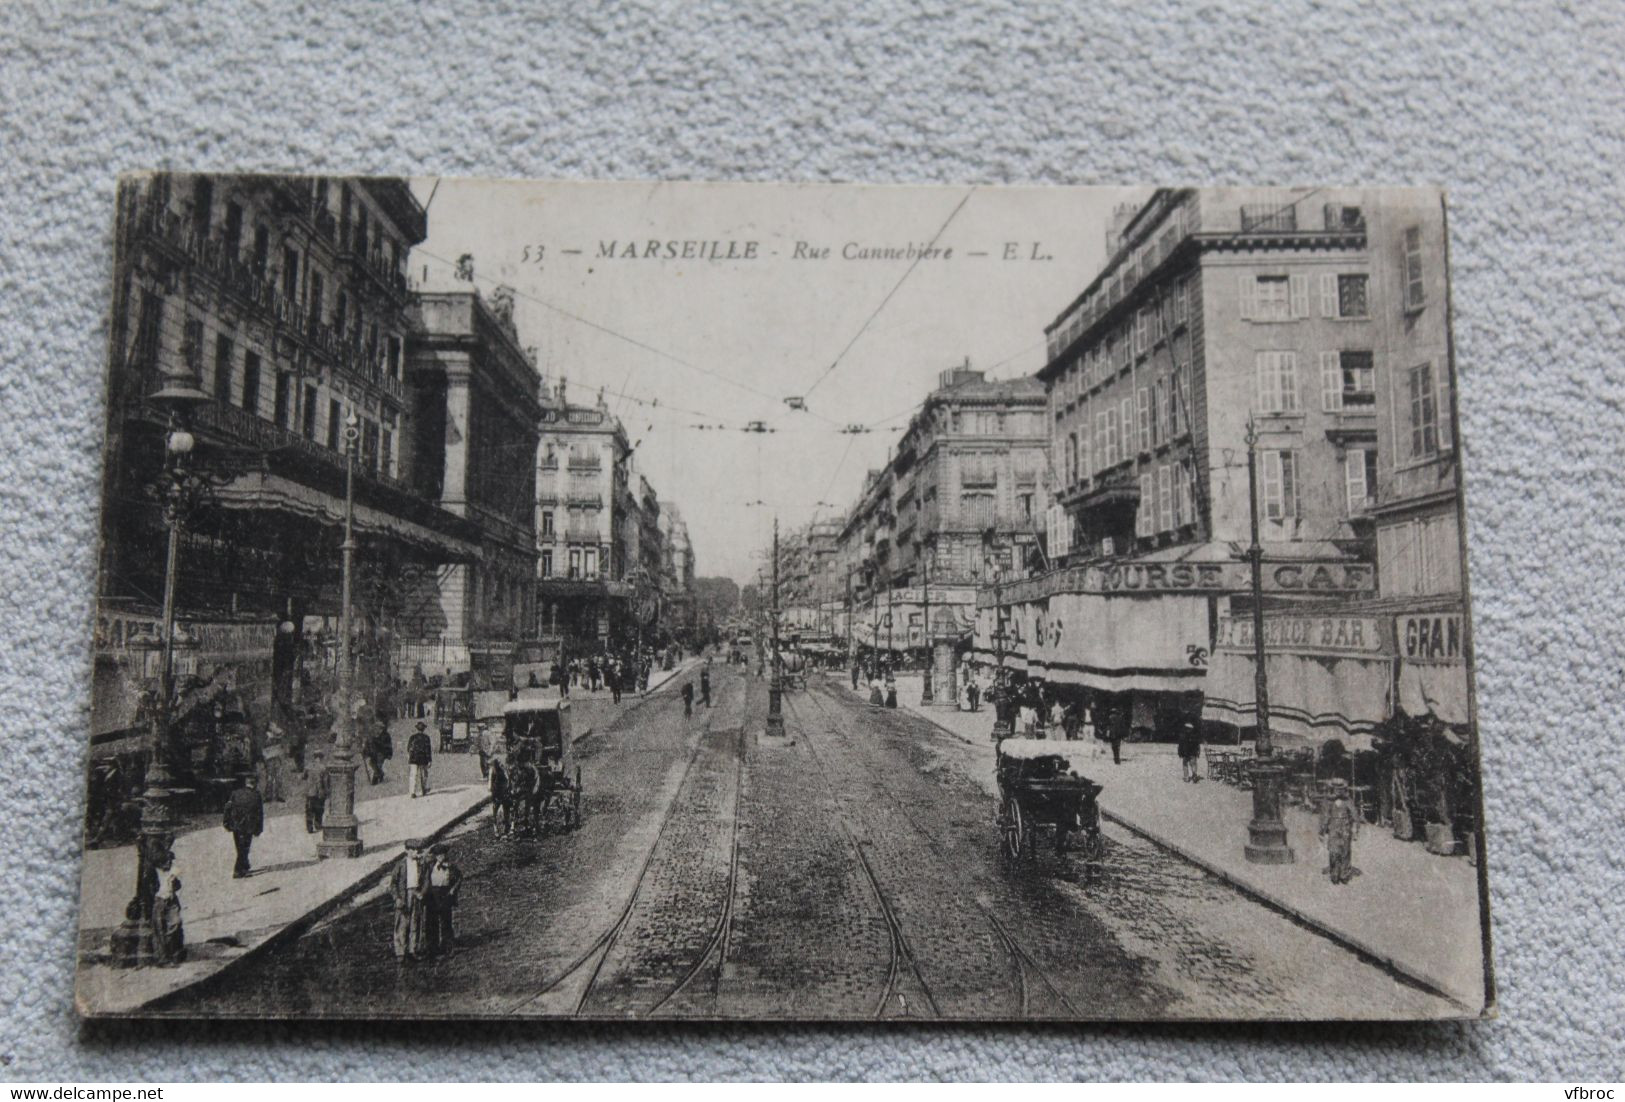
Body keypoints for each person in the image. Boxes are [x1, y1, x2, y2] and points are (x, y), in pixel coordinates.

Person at [389, 839, 429, 961]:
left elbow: (426, 880)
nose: (416, 852)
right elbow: (393, 884)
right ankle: (400, 952)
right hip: (404, 895)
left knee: (415, 923)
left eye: (417, 850)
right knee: (402, 924)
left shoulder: (422, 864)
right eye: (413, 850)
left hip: (416, 894)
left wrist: (422, 893)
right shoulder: (400, 865)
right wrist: (397, 898)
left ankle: (413, 949)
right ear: (407, 851)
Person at [423, 842, 463, 955]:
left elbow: (459, 878)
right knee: (432, 921)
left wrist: (453, 889)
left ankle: (448, 946)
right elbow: (424, 880)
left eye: (443, 854)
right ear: (435, 856)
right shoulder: (430, 866)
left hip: (445, 894)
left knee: (446, 921)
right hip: (432, 895)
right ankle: (432, 948)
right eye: (438, 855)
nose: (441, 857)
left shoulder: (451, 866)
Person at [222, 775, 264, 879]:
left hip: (236, 825)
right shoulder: (256, 795)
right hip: (248, 826)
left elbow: (227, 808)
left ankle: (245, 865)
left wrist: (226, 822)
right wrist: (259, 828)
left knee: (239, 847)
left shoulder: (235, 793)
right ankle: (238, 871)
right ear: (255, 784)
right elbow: (259, 813)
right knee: (244, 848)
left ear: (246, 783)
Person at [151, 849, 185, 966]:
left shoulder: (173, 872)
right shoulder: (154, 873)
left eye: (170, 861)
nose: (169, 864)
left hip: (171, 900)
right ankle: (163, 958)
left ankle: (173, 952)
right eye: (166, 862)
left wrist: (174, 882)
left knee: (175, 923)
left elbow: (178, 885)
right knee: (160, 929)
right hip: (159, 901)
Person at [1320, 778, 1357, 885]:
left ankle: (1344, 874)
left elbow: (1354, 815)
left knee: (1345, 851)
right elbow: (1325, 816)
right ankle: (1334, 874)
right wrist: (1322, 831)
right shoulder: (1328, 801)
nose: (1339, 791)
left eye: (1341, 789)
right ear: (1333, 789)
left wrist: (1355, 829)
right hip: (1333, 828)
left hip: (1345, 828)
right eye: (1336, 789)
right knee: (1333, 851)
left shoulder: (1348, 801)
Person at [304, 751, 330, 832]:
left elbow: (304, 776)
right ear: (321, 757)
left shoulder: (308, 767)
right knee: (319, 809)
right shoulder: (323, 768)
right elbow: (325, 781)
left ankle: (309, 828)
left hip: (310, 792)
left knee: (309, 810)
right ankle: (318, 825)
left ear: (314, 757)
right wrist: (327, 791)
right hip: (319, 792)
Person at [407, 721, 433, 797]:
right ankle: (423, 789)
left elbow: (408, 748)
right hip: (423, 758)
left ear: (417, 729)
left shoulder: (412, 737)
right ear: (424, 729)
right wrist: (429, 760)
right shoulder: (426, 738)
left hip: (413, 758)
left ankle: (412, 792)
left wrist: (410, 755)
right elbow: (428, 750)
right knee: (424, 775)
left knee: (413, 775)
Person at [365, 720, 393, 785]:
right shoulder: (374, 735)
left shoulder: (385, 735)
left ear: (381, 728)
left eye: (377, 728)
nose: (376, 729)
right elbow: (369, 745)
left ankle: (375, 780)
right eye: (375, 728)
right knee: (372, 763)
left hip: (383, 752)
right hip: (374, 753)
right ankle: (380, 774)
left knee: (378, 764)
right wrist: (366, 752)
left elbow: (384, 745)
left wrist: (375, 740)